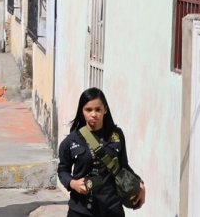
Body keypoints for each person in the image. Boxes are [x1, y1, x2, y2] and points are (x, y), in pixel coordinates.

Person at [57, 88, 146, 217]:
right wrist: (73, 184)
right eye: (88, 110)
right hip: (81, 209)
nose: (94, 114)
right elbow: (63, 170)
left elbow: (124, 166)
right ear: (82, 111)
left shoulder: (116, 135)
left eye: (98, 109)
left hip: (112, 208)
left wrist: (140, 184)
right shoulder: (71, 140)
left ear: (105, 110)